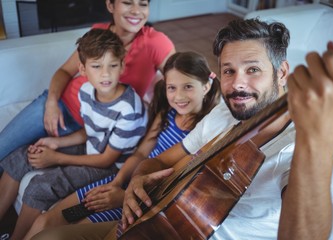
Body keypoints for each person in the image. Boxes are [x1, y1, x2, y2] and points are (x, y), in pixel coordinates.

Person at [32, 18, 333, 240]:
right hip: (149, 223)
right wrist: (138, 180)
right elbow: (160, 161)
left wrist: (318, 132)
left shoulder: (297, 145)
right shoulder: (223, 115)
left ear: (282, 72)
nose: (238, 83)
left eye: (253, 70)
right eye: (229, 70)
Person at [24, 51, 221, 239]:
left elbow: (175, 187)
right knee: (50, 218)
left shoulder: (203, 133)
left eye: (188, 86)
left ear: (206, 86)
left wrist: (124, 196)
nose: (179, 96)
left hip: (142, 200)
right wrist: (116, 183)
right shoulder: (167, 114)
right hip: (124, 180)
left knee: (76, 230)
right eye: (172, 87)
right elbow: (141, 154)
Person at [0, 28, 148, 240]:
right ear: (83, 69)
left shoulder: (129, 110)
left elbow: (106, 159)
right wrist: (56, 142)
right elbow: (89, 131)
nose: (105, 74)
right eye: (96, 66)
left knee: (40, 187)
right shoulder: (86, 92)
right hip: (92, 149)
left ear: (122, 66)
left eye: (113, 66)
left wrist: (56, 157)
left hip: (110, 168)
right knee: (23, 156)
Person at [0, 0, 175, 166]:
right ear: (110, 5)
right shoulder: (97, 33)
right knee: (3, 149)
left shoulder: (156, 43)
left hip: (92, 127)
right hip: (61, 104)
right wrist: (51, 103)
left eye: (143, 4)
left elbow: (180, 80)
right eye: (127, 2)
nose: (136, 10)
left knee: (20, 159)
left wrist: (152, 122)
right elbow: (65, 71)